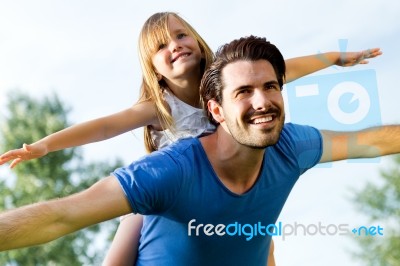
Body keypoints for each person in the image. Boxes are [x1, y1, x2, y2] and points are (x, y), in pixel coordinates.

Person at [0, 12, 382, 265]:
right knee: (123, 244)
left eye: (181, 35)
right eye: (161, 46)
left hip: (228, 189)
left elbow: (286, 68)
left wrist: (335, 58)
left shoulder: (228, 80)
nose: (175, 45)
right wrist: (46, 144)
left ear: (198, 42)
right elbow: (104, 126)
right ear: (153, 68)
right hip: (165, 191)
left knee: (260, 243)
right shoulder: (157, 105)